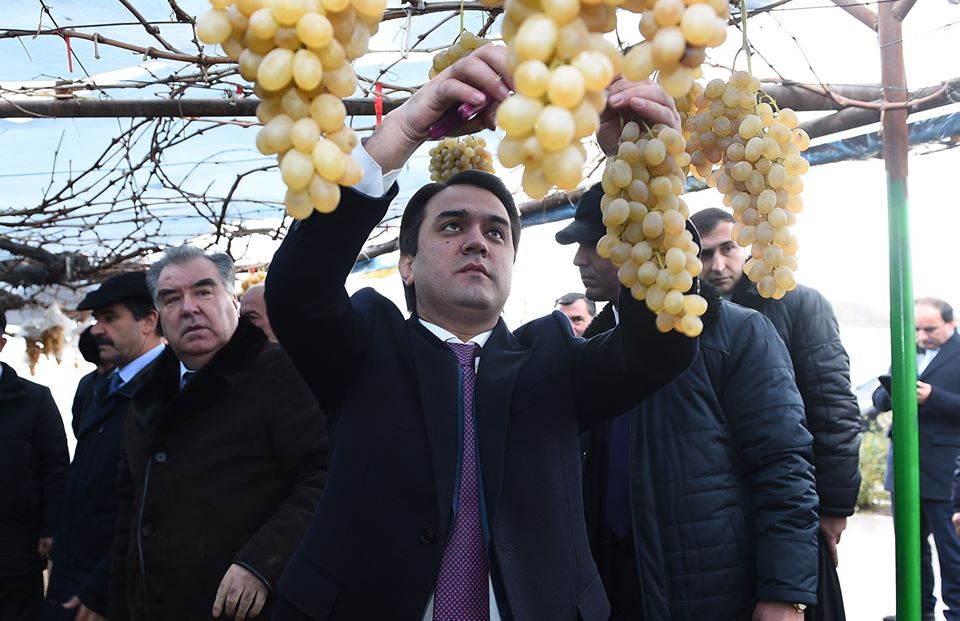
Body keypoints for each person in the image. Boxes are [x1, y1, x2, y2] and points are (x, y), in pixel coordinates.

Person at [265, 44, 696, 621]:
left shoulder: (556, 359)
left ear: (512, 263)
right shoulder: (364, 345)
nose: (476, 241)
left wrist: (641, 176)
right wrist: (404, 129)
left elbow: (662, 344)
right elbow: (297, 290)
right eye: (451, 226)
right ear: (407, 264)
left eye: (497, 233)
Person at [558, 185, 819, 620]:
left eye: (592, 244)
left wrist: (784, 590)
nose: (579, 259)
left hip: (712, 587)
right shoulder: (592, 350)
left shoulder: (738, 334)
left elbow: (782, 462)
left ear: (642, 243)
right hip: (614, 584)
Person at [107, 247, 328, 621]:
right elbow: (128, 517)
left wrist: (262, 562)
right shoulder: (146, 397)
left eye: (203, 291)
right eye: (171, 299)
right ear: (159, 316)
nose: (188, 308)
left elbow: (322, 478)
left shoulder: (282, 372)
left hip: (251, 608)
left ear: (233, 300)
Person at [690, 208, 861, 578]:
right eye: (704, 254)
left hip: (793, 494)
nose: (717, 265)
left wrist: (834, 505)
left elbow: (832, 406)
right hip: (721, 504)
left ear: (748, 246)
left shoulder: (798, 303)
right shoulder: (689, 317)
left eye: (727, 248)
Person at [45, 272, 165, 621]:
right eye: (97, 319)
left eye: (110, 318)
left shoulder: (165, 392)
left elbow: (151, 508)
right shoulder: (104, 386)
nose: (96, 329)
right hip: (75, 577)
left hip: (112, 591)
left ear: (149, 321)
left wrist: (101, 587)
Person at [873, 297, 960, 621]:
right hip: (904, 468)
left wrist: (933, 398)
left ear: (951, 324)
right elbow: (879, 400)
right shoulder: (906, 350)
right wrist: (892, 392)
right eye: (917, 329)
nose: (922, 336)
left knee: (952, 551)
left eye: (930, 329)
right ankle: (920, 610)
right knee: (910, 546)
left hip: (948, 471)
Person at [0, 309, 69, 621]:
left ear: (1, 344)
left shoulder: (34, 400)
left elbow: (55, 469)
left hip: (16, 551)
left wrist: (51, 527)